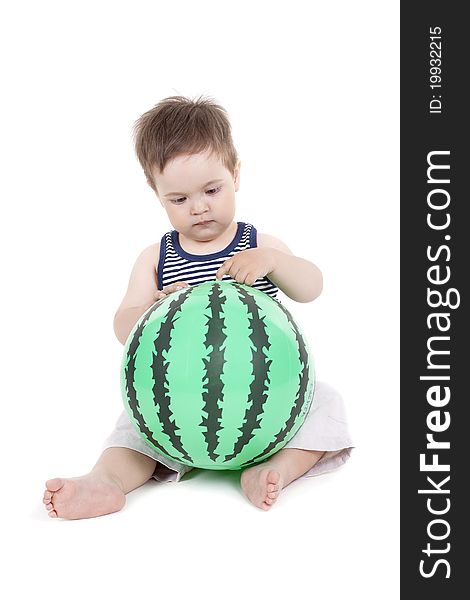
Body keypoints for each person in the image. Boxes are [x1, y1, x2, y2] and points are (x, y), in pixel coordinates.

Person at [43, 96, 353, 519]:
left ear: (236, 173)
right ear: (157, 194)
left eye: (212, 190)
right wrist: (151, 308)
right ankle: (107, 482)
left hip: (269, 402)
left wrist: (275, 263)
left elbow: (312, 287)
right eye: (179, 199)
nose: (200, 207)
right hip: (176, 405)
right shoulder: (157, 257)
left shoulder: (259, 245)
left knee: (325, 403)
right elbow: (123, 324)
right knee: (131, 429)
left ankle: (272, 466)